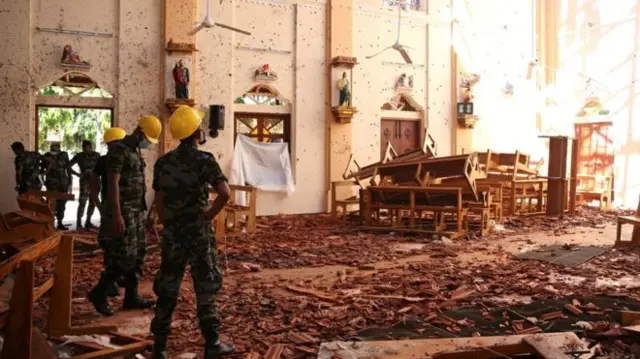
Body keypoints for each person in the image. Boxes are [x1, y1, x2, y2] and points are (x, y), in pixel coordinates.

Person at [150, 105, 233, 358]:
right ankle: (212, 344)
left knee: (168, 287)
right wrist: (207, 216)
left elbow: (159, 200)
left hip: (174, 233)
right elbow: (225, 193)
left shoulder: (163, 162)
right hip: (197, 232)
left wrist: (168, 222)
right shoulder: (204, 160)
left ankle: (160, 347)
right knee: (205, 287)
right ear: (196, 132)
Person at [88, 116, 162, 316]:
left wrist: (144, 212)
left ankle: (131, 296)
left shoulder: (134, 151)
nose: (147, 143)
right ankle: (99, 292)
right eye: (147, 138)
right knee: (123, 257)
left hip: (136, 211)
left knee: (138, 254)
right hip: (124, 212)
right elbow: (112, 184)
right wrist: (116, 214)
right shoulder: (119, 151)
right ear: (138, 131)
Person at [90, 127, 127, 298]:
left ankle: (118, 277)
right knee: (111, 243)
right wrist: (97, 202)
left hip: (123, 207)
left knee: (122, 244)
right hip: (112, 207)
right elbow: (94, 180)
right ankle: (110, 282)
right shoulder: (104, 161)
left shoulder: (127, 157)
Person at [69, 140, 101, 230]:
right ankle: (79, 224)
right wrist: (78, 174)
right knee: (82, 202)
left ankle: (88, 222)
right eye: (84, 149)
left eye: (87, 149)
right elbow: (68, 166)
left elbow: (102, 166)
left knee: (93, 202)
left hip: (95, 182)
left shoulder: (97, 155)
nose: (86, 151)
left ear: (91, 147)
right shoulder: (80, 156)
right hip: (85, 183)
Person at [43, 142, 71, 230]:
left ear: (59, 149)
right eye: (52, 149)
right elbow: (43, 169)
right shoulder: (46, 156)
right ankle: (50, 224)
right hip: (51, 183)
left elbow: (68, 167)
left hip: (63, 183)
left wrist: (70, 180)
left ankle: (60, 223)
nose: (53, 151)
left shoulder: (64, 155)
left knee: (62, 203)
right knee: (51, 203)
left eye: (55, 149)